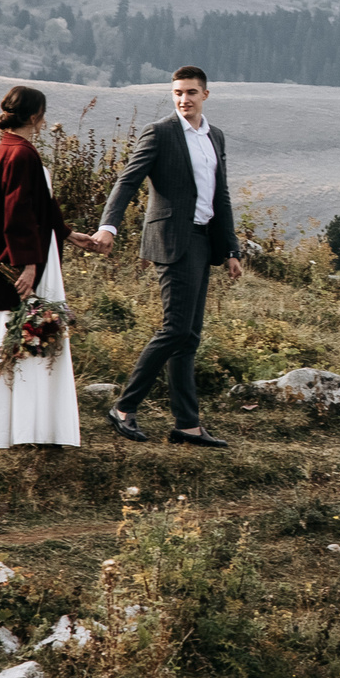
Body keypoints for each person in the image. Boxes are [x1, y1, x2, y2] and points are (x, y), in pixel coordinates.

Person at [0, 85, 103, 449]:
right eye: (42, 113)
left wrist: (68, 234)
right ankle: (13, 425)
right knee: (14, 330)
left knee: (7, 334)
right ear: (33, 116)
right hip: (25, 258)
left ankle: (5, 424)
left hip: (29, 251)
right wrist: (27, 264)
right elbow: (19, 214)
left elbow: (40, 202)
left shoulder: (8, 149)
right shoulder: (23, 154)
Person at [93, 66, 241, 447]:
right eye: (177, 92)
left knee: (189, 336)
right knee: (175, 329)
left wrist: (230, 250)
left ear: (206, 94)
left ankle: (187, 425)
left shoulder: (215, 137)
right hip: (172, 240)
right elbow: (128, 179)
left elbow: (219, 195)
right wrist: (108, 226)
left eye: (191, 92)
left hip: (203, 241)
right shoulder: (160, 132)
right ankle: (124, 408)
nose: (183, 99)